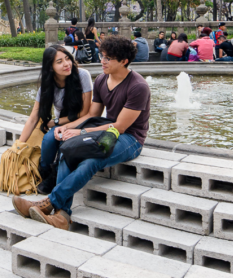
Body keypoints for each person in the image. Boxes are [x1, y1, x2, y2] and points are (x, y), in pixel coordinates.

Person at [13, 36, 148, 229]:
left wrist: (80, 133)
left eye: (108, 58)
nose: (103, 61)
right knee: (68, 151)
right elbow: (92, 114)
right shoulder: (102, 80)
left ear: (124, 61)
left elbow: (120, 127)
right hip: (105, 130)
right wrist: (67, 127)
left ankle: (49, 203)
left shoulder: (138, 86)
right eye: (103, 56)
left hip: (130, 138)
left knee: (93, 160)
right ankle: (62, 216)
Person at [16, 45, 94, 195]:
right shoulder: (47, 85)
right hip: (62, 123)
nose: (66, 64)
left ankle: (53, 178)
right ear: (50, 67)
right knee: (49, 140)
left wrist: (56, 123)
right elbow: (33, 118)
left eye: (67, 58)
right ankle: (44, 172)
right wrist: (19, 146)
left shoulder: (82, 75)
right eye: (59, 61)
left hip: (83, 121)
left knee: (64, 140)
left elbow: (84, 113)